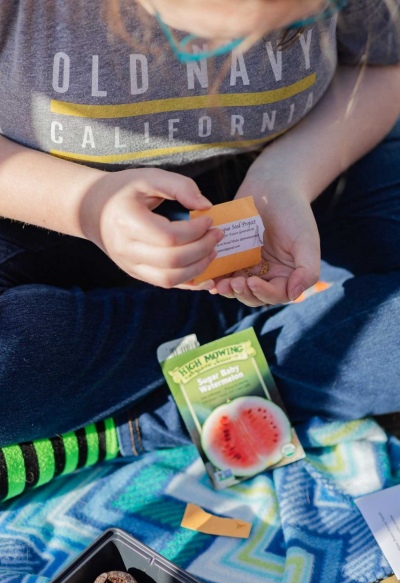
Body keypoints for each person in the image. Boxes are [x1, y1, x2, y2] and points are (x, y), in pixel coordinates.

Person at [0, 0, 399, 498]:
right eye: (190, 36)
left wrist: (289, 179)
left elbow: (384, 68)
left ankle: (146, 400)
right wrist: (85, 204)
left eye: (285, 29)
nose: (223, 67)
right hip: (46, 208)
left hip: (296, 167)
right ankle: (230, 346)